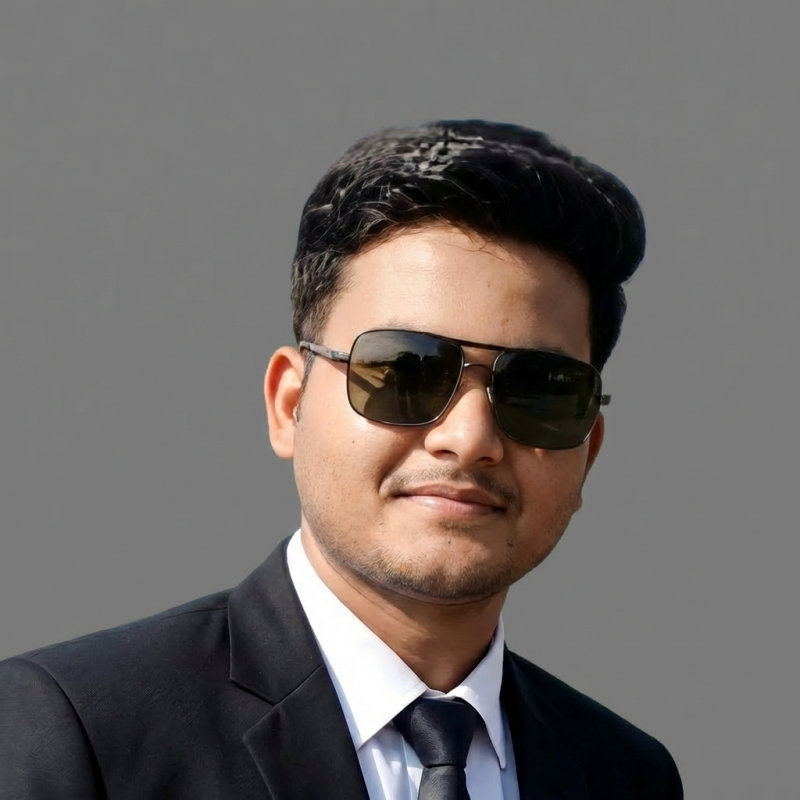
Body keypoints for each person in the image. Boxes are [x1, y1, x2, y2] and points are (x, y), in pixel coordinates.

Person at [0, 120, 683, 799]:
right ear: (288, 403)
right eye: (405, 370)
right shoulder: (76, 734)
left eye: (540, 390)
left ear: (589, 450)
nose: (470, 436)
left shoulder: (626, 777)